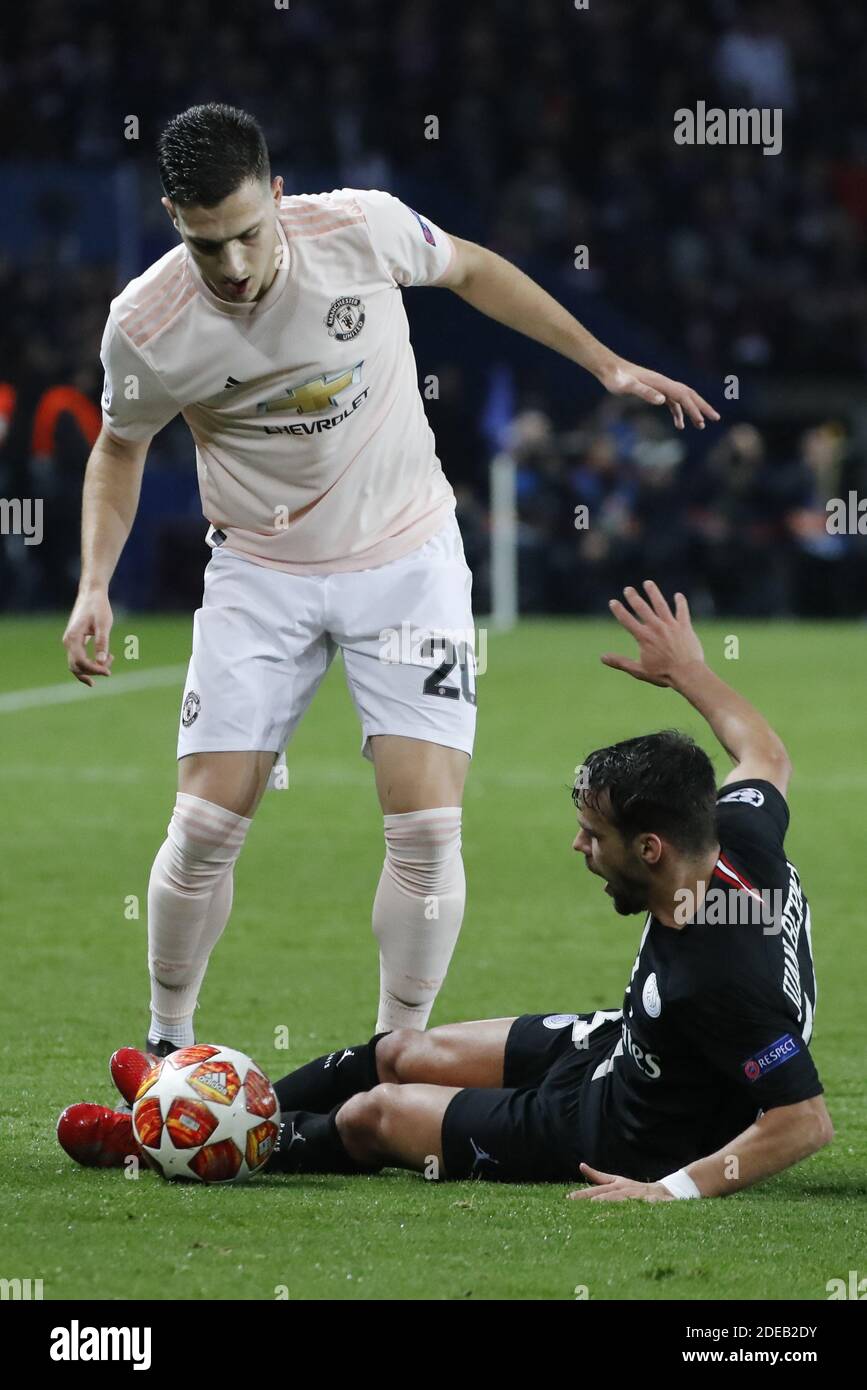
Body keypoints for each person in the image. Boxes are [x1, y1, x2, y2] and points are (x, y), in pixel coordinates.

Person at [61, 101, 718, 1054]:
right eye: (209, 246)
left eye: (249, 233)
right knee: (203, 825)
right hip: (259, 571)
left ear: (278, 195)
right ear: (173, 217)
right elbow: (118, 449)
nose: (236, 265)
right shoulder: (148, 324)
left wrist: (603, 363)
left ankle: (393, 1061)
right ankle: (166, 1050)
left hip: (405, 559)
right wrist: (93, 582)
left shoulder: (359, 228)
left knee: (424, 834)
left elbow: (476, 269)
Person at [59, 581, 831, 1201]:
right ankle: (180, 1098)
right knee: (400, 1052)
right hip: (620, 1046)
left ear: (653, 848)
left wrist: (672, 1190)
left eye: (595, 836)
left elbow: (802, 1122)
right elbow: (763, 751)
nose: (578, 846)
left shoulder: (719, 978)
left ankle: (177, 1137)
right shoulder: (736, 837)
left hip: (616, 1130)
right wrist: (687, 672)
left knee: (375, 1114)